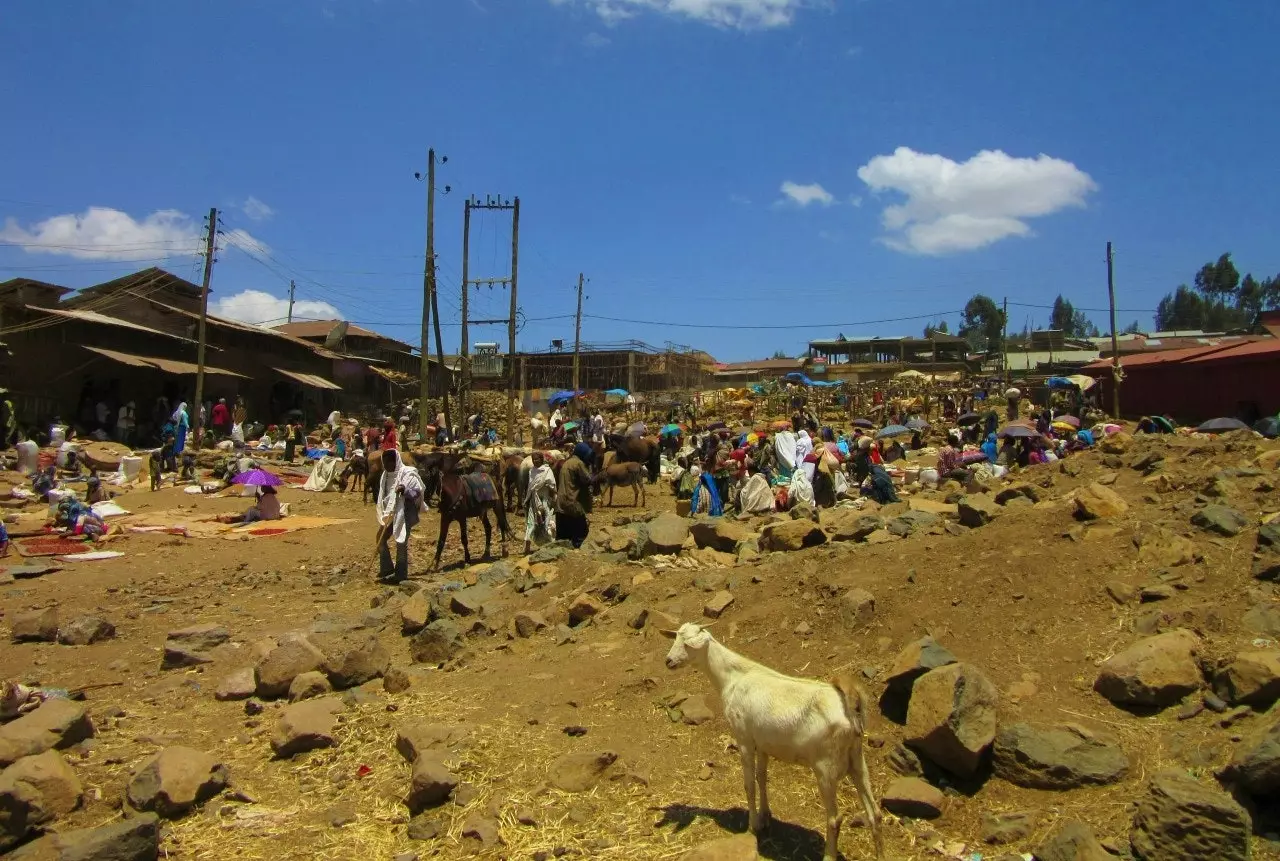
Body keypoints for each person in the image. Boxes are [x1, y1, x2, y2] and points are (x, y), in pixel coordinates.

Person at [375, 449, 425, 583]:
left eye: (388, 463)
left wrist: (404, 490)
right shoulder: (385, 476)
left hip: (405, 511)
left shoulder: (407, 473)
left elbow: (417, 493)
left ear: (395, 462)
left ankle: (401, 573)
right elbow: (384, 495)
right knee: (380, 538)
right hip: (390, 512)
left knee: (401, 541)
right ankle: (387, 568)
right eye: (384, 463)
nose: (385, 466)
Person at [556, 442, 594, 549]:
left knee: (562, 536)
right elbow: (587, 479)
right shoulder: (578, 464)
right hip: (572, 502)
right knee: (582, 532)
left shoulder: (567, 463)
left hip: (561, 503)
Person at [523, 451, 557, 553]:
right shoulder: (531, 471)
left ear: (541, 460)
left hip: (544, 500)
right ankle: (527, 546)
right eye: (533, 460)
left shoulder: (547, 470)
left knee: (547, 521)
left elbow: (552, 485)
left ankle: (549, 544)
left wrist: (546, 486)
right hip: (534, 500)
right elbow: (530, 486)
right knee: (531, 522)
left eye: (537, 459)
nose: (535, 461)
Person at [215, 485, 281, 524]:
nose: (261, 488)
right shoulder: (272, 496)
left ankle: (245, 521)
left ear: (266, 489)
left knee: (251, 510)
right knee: (251, 510)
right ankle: (240, 517)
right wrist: (259, 499)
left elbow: (259, 507)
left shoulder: (265, 497)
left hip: (268, 517)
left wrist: (258, 499)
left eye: (262, 487)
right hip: (275, 516)